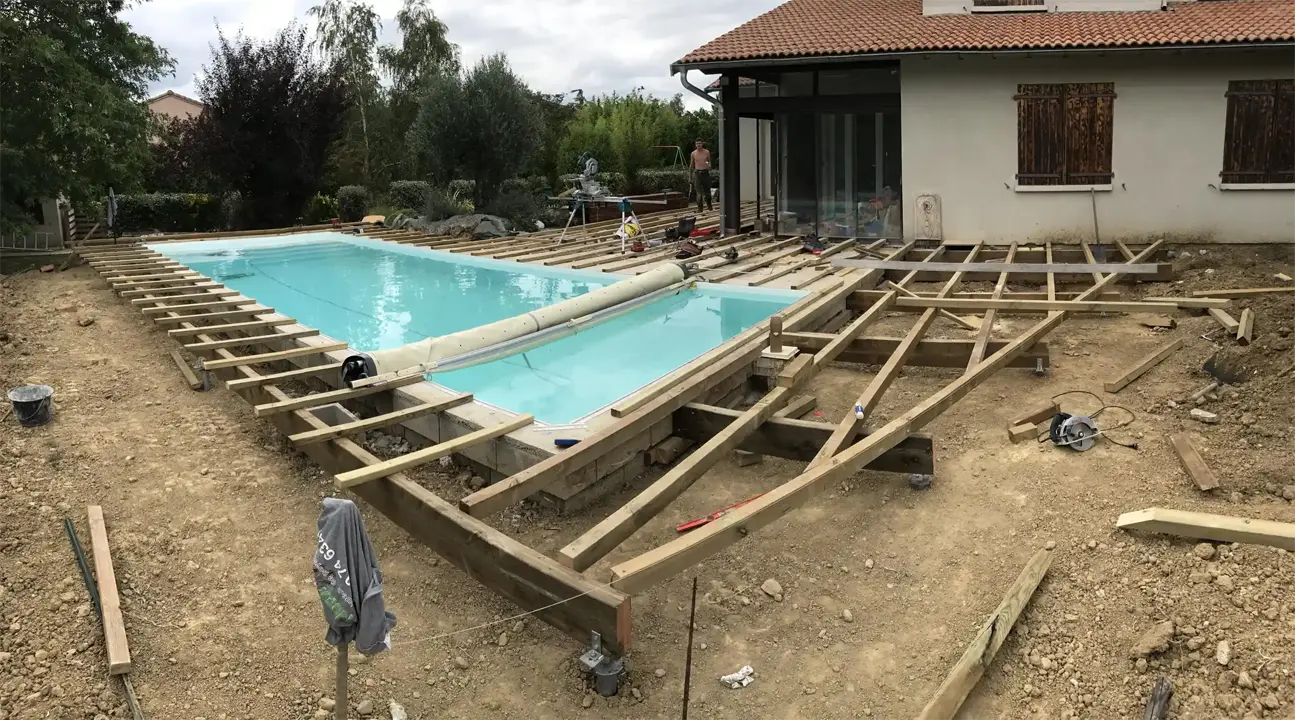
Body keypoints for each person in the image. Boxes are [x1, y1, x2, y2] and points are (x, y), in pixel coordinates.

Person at [690, 139, 713, 213]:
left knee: (708, 193)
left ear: (702, 144)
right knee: (699, 194)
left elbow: (709, 162)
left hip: (705, 173)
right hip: (697, 174)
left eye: (700, 143)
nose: (699, 145)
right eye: (697, 143)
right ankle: (700, 209)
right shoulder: (693, 153)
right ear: (695, 145)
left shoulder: (707, 152)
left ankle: (710, 207)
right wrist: (690, 176)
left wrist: (709, 166)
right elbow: (691, 165)